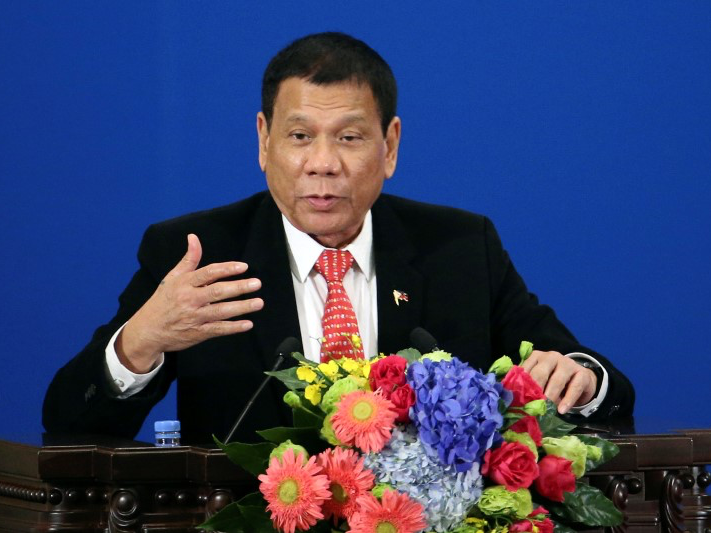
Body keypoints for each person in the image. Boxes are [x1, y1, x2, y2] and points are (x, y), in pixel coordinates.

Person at [43, 32, 634, 445]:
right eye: (300, 136)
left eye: (349, 138)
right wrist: (139, 343)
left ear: (391, 145)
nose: (322, 163)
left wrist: (579, 380)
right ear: (263, 140)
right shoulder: (198, 254)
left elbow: (600, 385)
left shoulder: (459, 248)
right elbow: (70, 424)